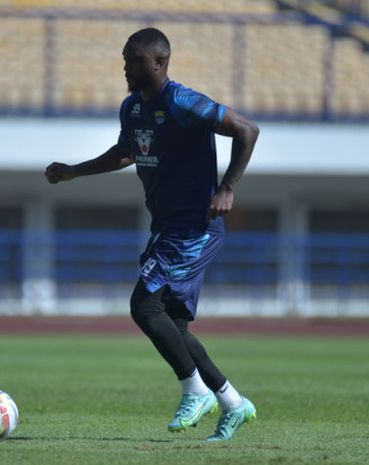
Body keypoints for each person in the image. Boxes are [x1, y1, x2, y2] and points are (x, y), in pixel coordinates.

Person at [45, 28, 259, 441]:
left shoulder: (182, 102)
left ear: (159, 62)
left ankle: (194, 391)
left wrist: (227, 187)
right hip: (167, 227)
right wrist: (75, 170)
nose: (126, 65)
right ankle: (233, 402)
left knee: (144, 307)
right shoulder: (133, 109)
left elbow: (247, 130)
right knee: (173, 325)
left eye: (134, 59)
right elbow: (126, 152)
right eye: (125, 58)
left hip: (193, 227)